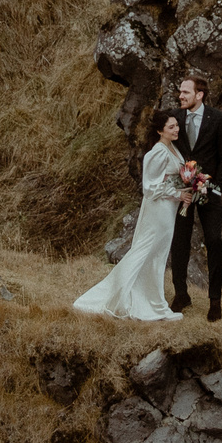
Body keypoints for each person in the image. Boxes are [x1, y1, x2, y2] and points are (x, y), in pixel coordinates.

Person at [71, 109, 187, 322]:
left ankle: (153, 300)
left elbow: (172, 178)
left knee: (157, 255)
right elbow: (150, 188)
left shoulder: (173, 148)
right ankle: (132, 299)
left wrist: (185, 190)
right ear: (161, 130)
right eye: (171, 127)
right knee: (147, 252)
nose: (176, 129)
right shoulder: (159, 152)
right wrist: (177, 193)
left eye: (177, 125)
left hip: (168, 209)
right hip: (158, 210)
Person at [167, 73, 222, 321]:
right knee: (180, 241)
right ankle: (181, 294)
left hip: (209, 193)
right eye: (181, 91)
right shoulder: (174, 117)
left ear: (199, 94)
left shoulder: (218, 119)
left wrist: (216, 187)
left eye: (185, 92)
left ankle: (214, 300)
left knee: (214, 241)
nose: (180, 95)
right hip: (184, 193)